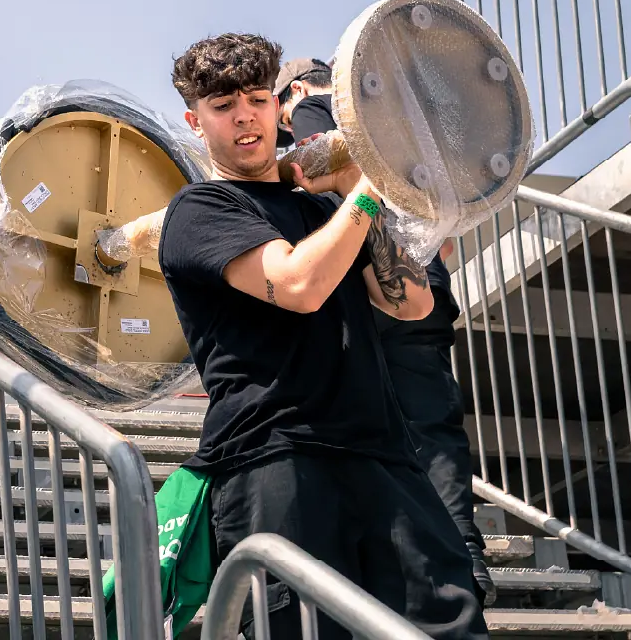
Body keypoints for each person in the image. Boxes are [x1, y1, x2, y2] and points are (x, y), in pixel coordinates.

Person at [159, 33, 488, 639]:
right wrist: (369, 185)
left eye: (256, 99)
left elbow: (410, 302)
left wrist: (353, 189)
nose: (244, 117)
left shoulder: (322, 210)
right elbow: (299, 284)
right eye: (223, 105)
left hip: (382, 452)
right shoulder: (200, 210)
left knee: (451, 625)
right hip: (276, 459)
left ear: (275, 107)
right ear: (195, 120)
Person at [274, 57, 496, 605]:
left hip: (374, 283)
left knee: (375, 424)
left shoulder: (315, 109)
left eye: (276, 108)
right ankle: (465, 553)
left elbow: (320, 177)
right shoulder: (390, 118)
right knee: (434, 425)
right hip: (425, 283)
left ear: (297, 89)